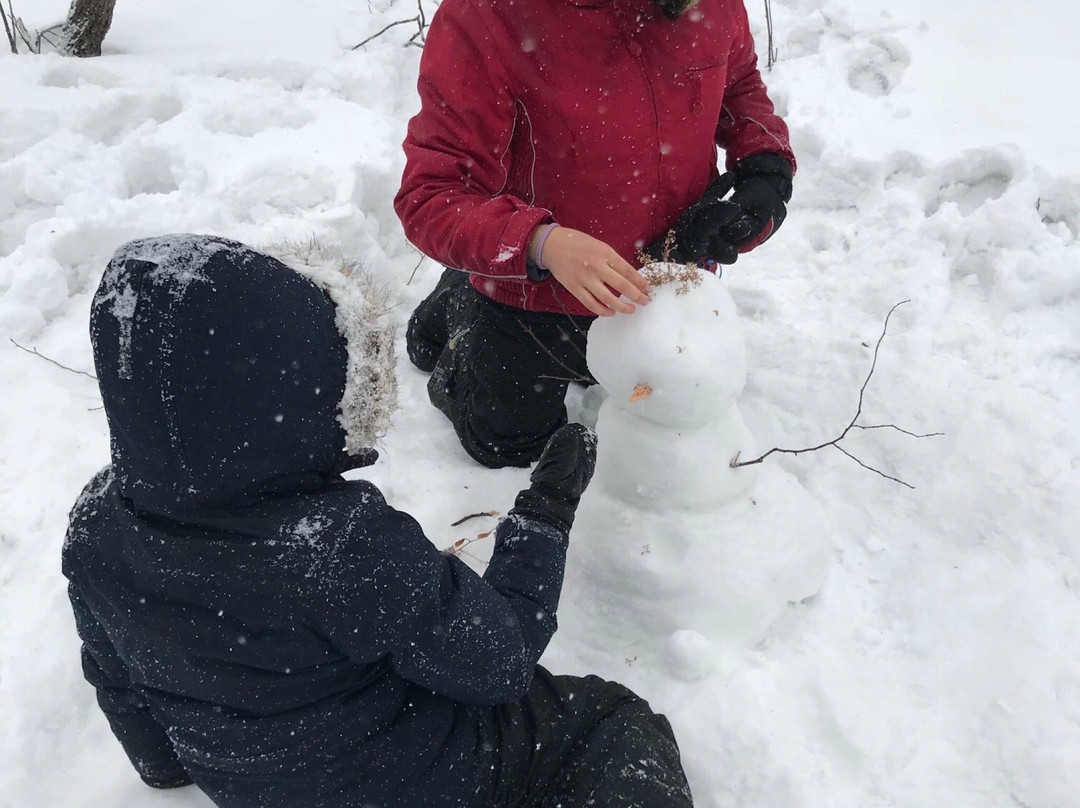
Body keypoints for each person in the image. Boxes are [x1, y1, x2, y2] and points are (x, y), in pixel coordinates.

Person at [63, 234, 694, 808]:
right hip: (420, 780)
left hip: (249, 782)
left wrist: (165, 770)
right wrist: (547, 509)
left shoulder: (96, 524)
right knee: (609, 724)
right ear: (284, 390)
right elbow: (501, 663)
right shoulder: (338, 549)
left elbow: (115, 677)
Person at [396, 0, 796, 469]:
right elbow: (431, 194)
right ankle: (461, 301)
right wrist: (538, 243)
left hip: (668, 279)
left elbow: (740, 85)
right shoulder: (486, 15)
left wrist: (764, 174)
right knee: (507, 445)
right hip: (541, 290)